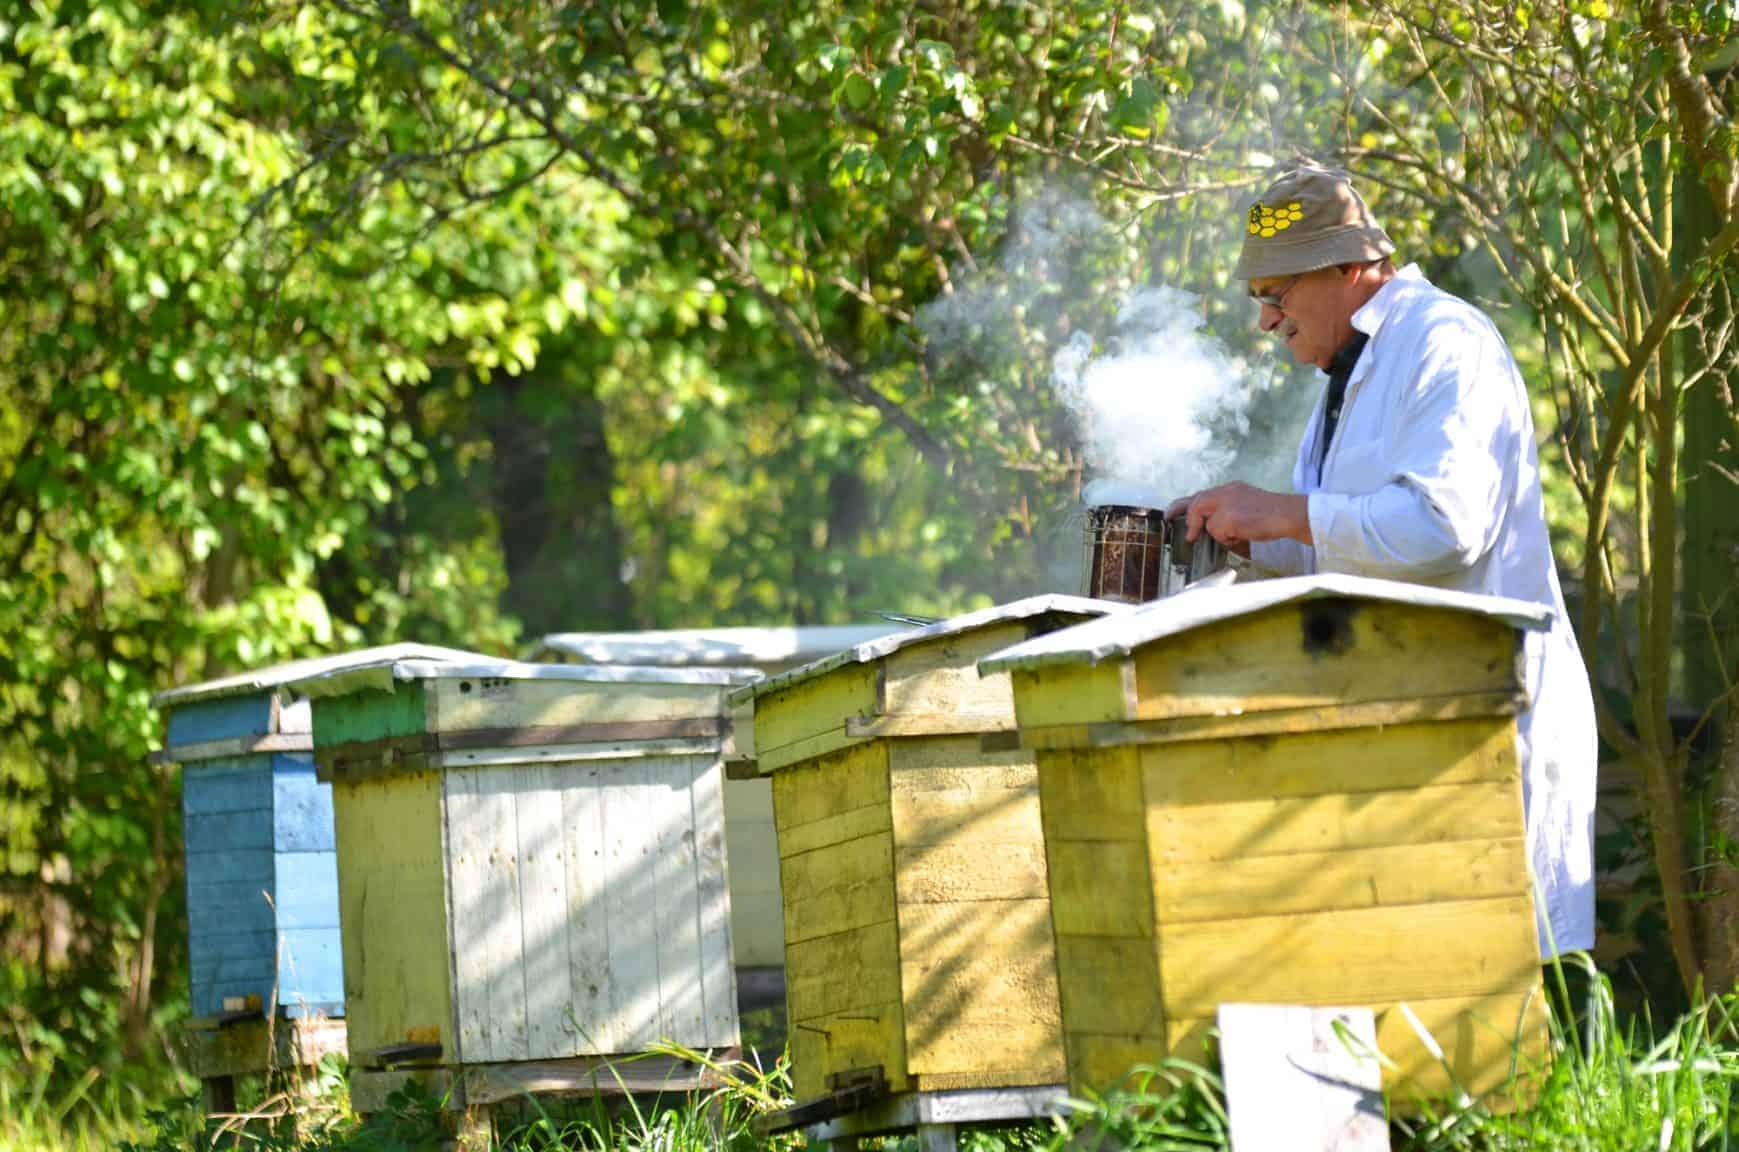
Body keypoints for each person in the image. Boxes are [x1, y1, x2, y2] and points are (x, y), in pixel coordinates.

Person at [1173, 164, 1598, 958]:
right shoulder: (1349, 370)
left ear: (1344, 267)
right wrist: (1243, 532)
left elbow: (1444, 525)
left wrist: (1282, 511)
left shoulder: (1445, 344)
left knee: (1501, 1001)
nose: (1266, 322)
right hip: (1405, 724)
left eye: (1275, 294)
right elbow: (1346, 543)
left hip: (1482, 720)